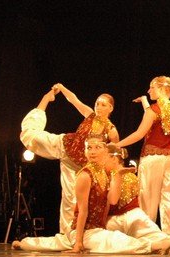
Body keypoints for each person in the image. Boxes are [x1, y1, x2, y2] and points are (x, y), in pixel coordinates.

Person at [13, 137, 170, 254]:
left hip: (96, 230)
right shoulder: (85, 175)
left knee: (57, 242)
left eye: (97, 147)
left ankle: (23, 243)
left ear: (105, 151)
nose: (92, 151)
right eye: (89, 148)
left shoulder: (104, 175)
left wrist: (117, 175)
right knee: (114, 241)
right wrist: (79, 242)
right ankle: (154, 246)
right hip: (85, 230)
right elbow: (82, 211)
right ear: (85, 152)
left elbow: (112, 200)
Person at [19, 84, 119, 235]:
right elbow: (74, 100)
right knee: (30, 135)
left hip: (77, 166)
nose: (98, 107)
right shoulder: (90, 115)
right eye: (97, 103)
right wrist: (62, 88)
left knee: (71, 200)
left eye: (103, 105)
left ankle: (68, 234)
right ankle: (45, 100)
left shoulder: (111, 130)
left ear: (110, 108)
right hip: (64, 146)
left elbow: (113, 152)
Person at [116, 76, 170, 238]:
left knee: (148, 198)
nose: (149, 91)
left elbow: (139, 133)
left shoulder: (154, 110)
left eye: (151, 87)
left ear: (160, 89)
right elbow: (157, 120)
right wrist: (145, 101)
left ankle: (147, 234)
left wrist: (117, 145)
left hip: (153, 158)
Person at [103, 144, 170, 250]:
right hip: (119, 219)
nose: (101, 162)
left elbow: (113, 201)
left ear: (114, 159)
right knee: (115, 241)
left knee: (158, 238)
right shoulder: (105, 176)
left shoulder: (125, 176)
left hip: (130, 216)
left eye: (103, 158)